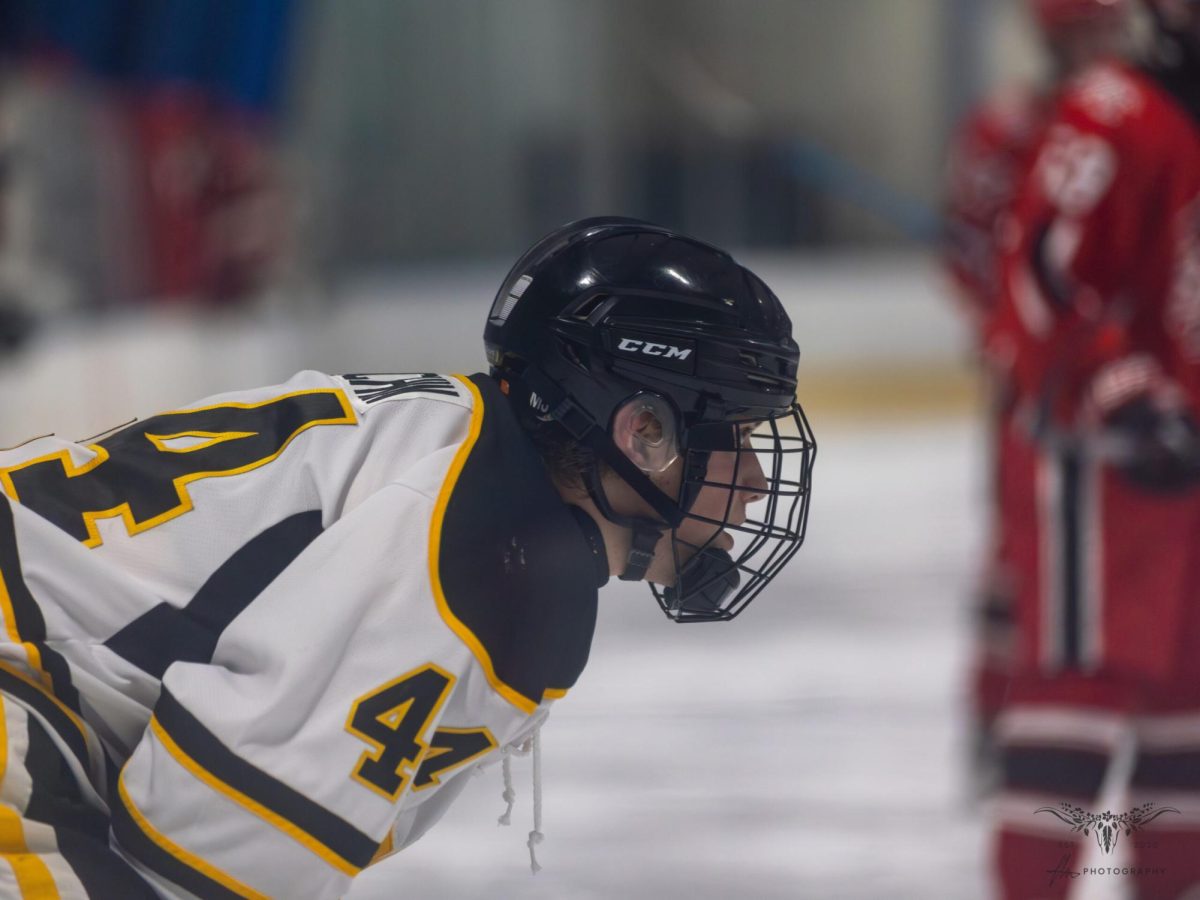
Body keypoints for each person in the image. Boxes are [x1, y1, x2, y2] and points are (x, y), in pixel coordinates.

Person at [0, 217, 816, 898]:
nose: (749, 481)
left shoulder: (463, 453)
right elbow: (209, 841)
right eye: (733, 435)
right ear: (641, 431)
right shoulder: (490, 556)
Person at [986, 2, 1200, 896]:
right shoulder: (1112, 109)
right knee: (1076, 695)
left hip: (1185, 467)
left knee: (1185, 716)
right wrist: (1121, 385)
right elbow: (1041, 266)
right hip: (1105, 466)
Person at [940, 0, 1132, 798]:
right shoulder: (1008, 130)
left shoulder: (1139, 120)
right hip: (1035, 387)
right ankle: (998, 715)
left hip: (1122, 385)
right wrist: (1006, 327)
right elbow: (967, 250)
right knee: (1021, 556)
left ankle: (1124, 705)